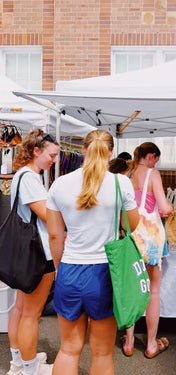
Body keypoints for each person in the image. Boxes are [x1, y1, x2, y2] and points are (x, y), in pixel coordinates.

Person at [46, 130, 139, 375]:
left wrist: (59, 268)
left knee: (68, 349)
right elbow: (132, 225)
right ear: (110, 153)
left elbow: (55, 236)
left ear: (83, 150)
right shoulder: (121, 183)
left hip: (70, 269)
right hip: (105, 273)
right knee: (102, 353)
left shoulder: (59, 184)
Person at [7, 129, 59, 375]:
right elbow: (48, 216)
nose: (54, 160)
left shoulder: (21, 175)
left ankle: (19, 361)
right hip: (40, 254)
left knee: (20, 309)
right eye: (51, 155)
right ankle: (30, 370)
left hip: (26, 253)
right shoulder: (29, 178)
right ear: (36, 151)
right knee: (31, 314)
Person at [122, 142, 173, 359]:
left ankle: (129, 341)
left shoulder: (126, 174)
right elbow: (163, 207)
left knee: (132, 288)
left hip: (131, 234)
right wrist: (170, 208)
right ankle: (151, 344)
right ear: (151, 156)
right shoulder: (153, 174)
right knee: (153, 291)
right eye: (157, 159)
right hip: (151, 236)